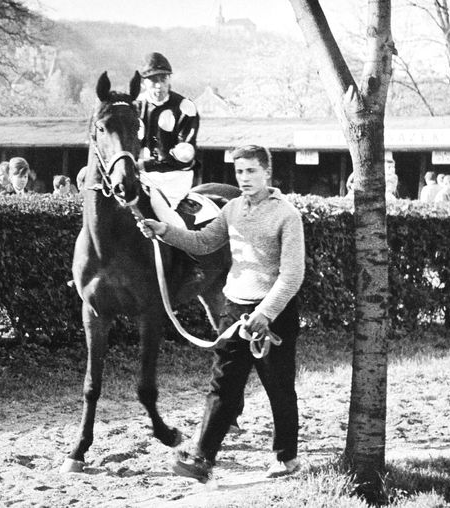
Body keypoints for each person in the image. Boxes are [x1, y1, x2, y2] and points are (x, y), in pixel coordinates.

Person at [139, 144, 305, 482]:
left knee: (279, 387)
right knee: (223, 386)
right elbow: (202, 243)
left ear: (267, 173)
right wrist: (164, 230)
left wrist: (266, 313)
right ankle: (203, 457)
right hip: (235, 309)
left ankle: (285, 457)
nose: (244, 178)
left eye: (251, 171)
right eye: (239, 171)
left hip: (273, 314)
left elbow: (292, 276)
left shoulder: (287, 215)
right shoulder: (231, 209)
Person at [136, 52, 200, 229]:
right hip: (140, 174)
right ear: (143, 82)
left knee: (159, 206)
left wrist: (145, 165)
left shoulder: (185, 107)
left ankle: (185, 247)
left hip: (174, 176)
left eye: (163, 79)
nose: (158, 86)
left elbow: (184, 154)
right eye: (153, 80)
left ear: (169, 80)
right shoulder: (135, 106)